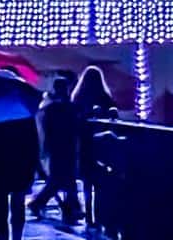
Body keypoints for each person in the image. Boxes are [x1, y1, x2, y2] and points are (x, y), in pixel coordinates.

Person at [0, 111, 42, 240]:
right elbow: (33, 141)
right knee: (17, 205)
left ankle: (5, 237)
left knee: (0, 207)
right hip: (20, 163)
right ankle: (16, 237)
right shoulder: (23, 111)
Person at [29, 74, 81, 223]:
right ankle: (71, 207)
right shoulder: (67, 107)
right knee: (63, 178)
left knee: (59, 178)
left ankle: (70, 206)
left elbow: (47, 128)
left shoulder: (50, 107)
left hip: (57, 145)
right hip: (66, 145)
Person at [71, 65, 113, 228]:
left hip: (84, 144)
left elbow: (74, 121)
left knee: (87, 182)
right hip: (101, 144)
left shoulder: (78, 98)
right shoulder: (104, 97)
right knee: (101, 183)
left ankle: (89, 215)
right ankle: (101, 215)